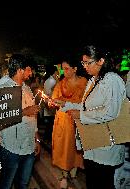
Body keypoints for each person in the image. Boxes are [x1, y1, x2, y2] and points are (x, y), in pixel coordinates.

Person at [58, 45, 126, 189]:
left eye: (88, 62)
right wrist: (67, 105)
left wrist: (81, 115)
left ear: (101, 61)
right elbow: (86, 107)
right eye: (83, 63)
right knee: (93, 183)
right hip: (92, 143)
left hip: (106, 146)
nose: (85, 66)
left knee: (103, 183)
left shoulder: (112, 80)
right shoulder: (93, 80)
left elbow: (110, 112)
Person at [0, 54, 40, 189]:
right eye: (28, 70)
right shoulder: (3, 88)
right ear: (20, 69)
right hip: (11, 147)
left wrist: (36, 138)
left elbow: (33, 117)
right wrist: (25, 112)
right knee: (6, 184)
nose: (31, 73)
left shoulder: (26, 88)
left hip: (28, 145)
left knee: (23, 183)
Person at [51, 56, 87, 188]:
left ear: (75, 69)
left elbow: (86, 103)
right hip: (63, 120)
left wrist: (68, 103)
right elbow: (54, 99)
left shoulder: (84, 82)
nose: (64, 72)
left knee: (76, 148)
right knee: (63, 147)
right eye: (62, 69)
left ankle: (74, 170)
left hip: (78, 120)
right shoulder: (61, 83)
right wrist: (53, 102)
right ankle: (64, 175)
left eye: (66, 69)